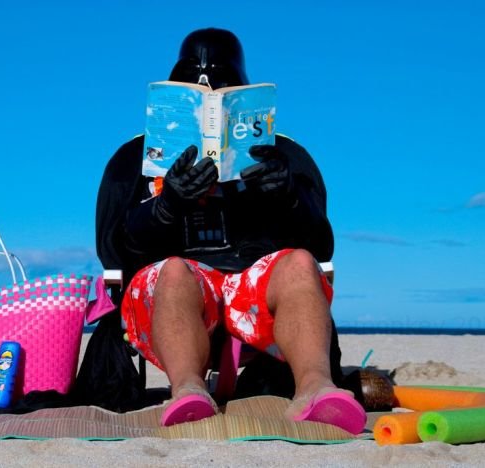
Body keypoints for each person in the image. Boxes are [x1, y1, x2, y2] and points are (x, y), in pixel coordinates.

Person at [77, 28, 366, 434]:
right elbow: (114, 250)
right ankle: (188, 390)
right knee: (174, 271)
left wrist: (288, 196)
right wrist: (166, 205)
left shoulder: (286, 155)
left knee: (300, 264)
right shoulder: (131, 159)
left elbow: (320, 246)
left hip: (253, 291)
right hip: (174, 294)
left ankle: (316, 388)